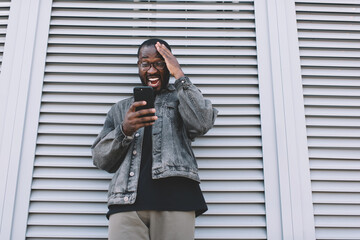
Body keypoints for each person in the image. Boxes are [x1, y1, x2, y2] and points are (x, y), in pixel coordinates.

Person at [91, 38, 218, 240]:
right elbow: (100, 159)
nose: (151, 70)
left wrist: (180, 75)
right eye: (145, 64)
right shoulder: (121, 109)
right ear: (138, 66)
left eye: (159, 63)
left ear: (168, 65)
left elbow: (202, 122)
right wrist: (125, 130)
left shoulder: (182, 99)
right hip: (125, 204)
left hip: (177, 201)